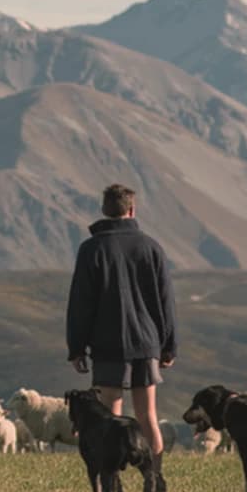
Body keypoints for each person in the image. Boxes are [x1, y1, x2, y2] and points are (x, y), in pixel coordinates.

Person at [67, 183, 177, 465]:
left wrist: (76, 348)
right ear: (132, 210)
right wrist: (168, 345)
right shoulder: (151, 247)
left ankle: (112, 482)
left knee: (109, 418)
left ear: (104, 210)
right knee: (148, 416)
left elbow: (81, 303)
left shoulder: (91, 249)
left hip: (108, 344)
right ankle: (154, 479)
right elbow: (165, 301)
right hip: (146, 343)